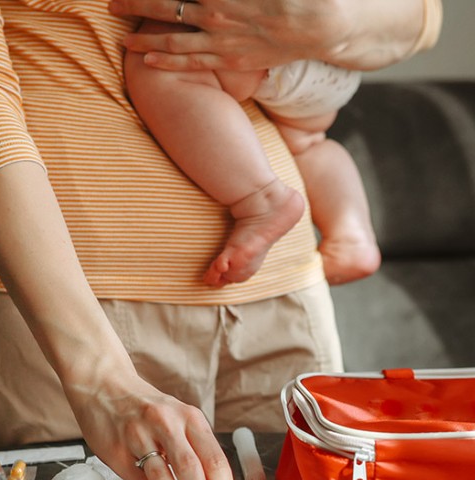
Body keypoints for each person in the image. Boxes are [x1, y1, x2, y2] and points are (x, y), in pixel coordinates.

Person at [0, 0, 441, 480]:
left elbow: (421, 16)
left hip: (282, 300)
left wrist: (324, 19)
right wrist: (101, 379)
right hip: (63, 321)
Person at [126, 14, 379, 287]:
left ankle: (262, 198)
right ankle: (350, 236)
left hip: (262, 26)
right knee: (308, 141)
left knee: (160, 58)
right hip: (333, 58)